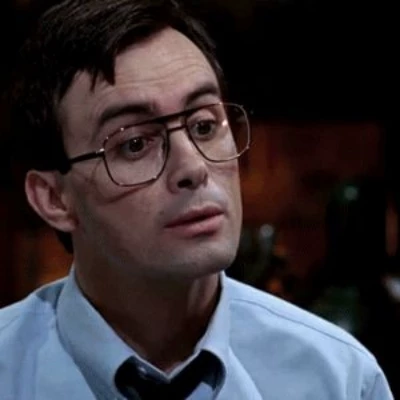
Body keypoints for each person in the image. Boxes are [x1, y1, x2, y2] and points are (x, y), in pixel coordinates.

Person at [0, 0, 394, 399]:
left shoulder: (337, 378)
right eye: (134, 144)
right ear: (54, 198)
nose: (193, 167)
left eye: (204, 126)